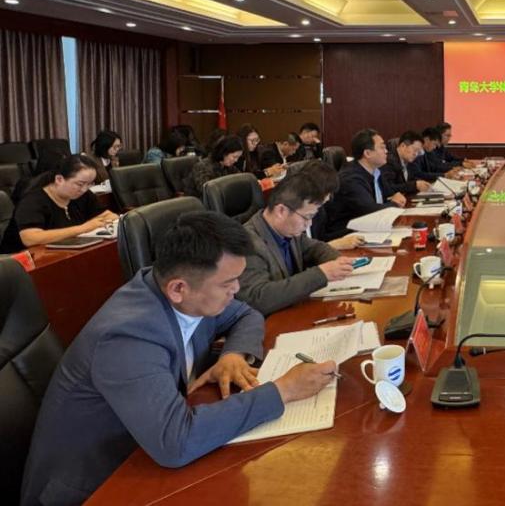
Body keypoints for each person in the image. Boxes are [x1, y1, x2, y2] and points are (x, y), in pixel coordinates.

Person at [20, 211, 338, 506]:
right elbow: (176, 442)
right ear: (178, 288)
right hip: (96, 485)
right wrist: (284, 391)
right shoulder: (127, 336)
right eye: (228, 283)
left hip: (146, 450)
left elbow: (247, 315)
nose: (237, 289)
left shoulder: (185, 292)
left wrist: (233, 354)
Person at [238, 173, 361, 315]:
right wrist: (321, 274)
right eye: (307, 217)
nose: (309, 224)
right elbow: (258, 298)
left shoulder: (287, 230)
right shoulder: (248, 243)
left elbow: (315, 248)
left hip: (293, 310)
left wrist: (338, 260)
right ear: (281, 211)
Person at [0, 155, 118, 253]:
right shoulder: (32, 201)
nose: (84, 189)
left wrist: (98, 223)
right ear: (59, 179)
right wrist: (83, 228)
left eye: (90, 184)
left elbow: (110, 216)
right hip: (21, 262)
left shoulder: (83, 195)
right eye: (80, 184)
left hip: (67, 253)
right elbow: (30, 238)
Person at [321, 129, 406, 240]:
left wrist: (395, 197)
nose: (386, 151)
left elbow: (389, 192)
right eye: (382, 147)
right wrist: (394, 203)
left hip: (367, 228)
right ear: (367, 153)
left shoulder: (375, 171)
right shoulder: (351, 178)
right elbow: (370, 211)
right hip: (346, 235)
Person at [382, 130, 432, 196]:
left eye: (418, 152)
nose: (416, 154)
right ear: (403, 146)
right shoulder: (389, 161)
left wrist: (421, 183)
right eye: (415, 150)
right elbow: (389, 188)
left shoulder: (407, 160)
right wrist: (415, 185)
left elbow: (410, 179)